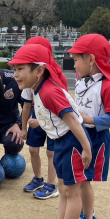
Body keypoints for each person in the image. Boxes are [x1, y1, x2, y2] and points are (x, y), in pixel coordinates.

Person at [9, 44, 94, 219]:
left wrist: (86, 148)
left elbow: (73, 121)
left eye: (21, 69)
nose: (16, 74)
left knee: (71, 192)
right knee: (64, 189)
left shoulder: (48, 91)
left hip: (71, 143)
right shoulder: (37, 89)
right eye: (14, 69)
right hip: (61, 142)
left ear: (38, 70)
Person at [68, 34, 110, 219]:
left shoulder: (107, 86)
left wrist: (86, 119)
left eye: (76, 60)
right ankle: (84, 211)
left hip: (96, 139)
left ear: (91, 60)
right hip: (80, 136)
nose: (74, 66)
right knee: (79, 179)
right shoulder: (82, 81)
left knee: (84, 180)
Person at [21, 37, 69, 200]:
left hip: (54, 120)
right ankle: (38, 179)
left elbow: (62, 110)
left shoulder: (57, 77)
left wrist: (40, 122)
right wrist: (24, 128)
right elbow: (26, 105)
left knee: (51, 152)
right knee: (33, 149)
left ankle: (51, 185)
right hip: (37, 116)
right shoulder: (29, 77)